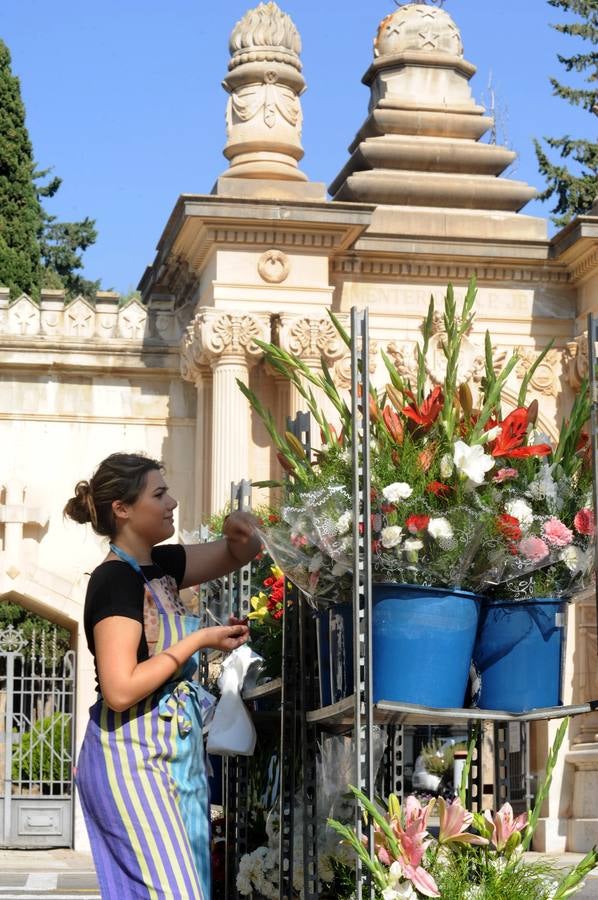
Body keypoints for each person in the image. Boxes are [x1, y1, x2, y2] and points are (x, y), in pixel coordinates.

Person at [64, 452, 260, 899]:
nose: (172, 502)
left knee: (190, 889)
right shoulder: (115, 581)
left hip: (174, 753)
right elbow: (119, 689)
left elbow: (241, 551)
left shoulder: (164, 565)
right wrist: (199, 639)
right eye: (159, 493)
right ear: (123, 508)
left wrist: (239, 526)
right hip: (132, 758)